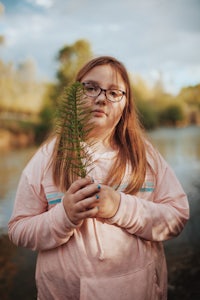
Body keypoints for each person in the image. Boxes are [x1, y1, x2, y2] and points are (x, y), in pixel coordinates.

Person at [8, 56, 189, 300]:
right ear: (74, 97)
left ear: (126, 103)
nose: (102, 98)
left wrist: (119, 206)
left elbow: (177, 216)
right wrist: (64, 216)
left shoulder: (145, 156)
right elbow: (19, 229)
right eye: (91, 88)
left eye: (114, 92)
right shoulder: (47, 158)